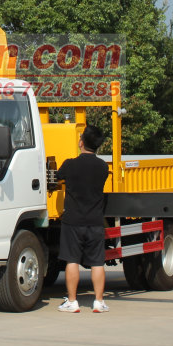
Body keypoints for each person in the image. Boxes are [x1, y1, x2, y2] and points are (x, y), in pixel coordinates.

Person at [56, 124, 110, 313]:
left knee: (72, 260)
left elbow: (57, 177)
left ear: (81, 142)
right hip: (95, 221)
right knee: (97, 262)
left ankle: (72, 301)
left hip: (73, 221)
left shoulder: (70, 165)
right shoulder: (103, 167)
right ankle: (99, 302)